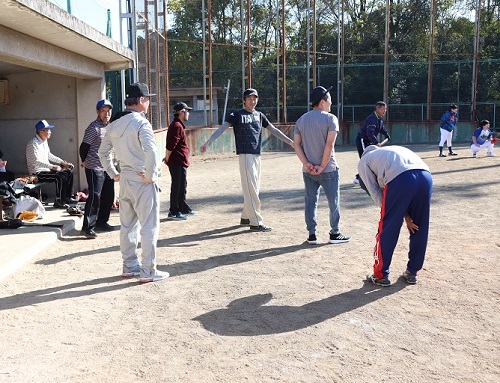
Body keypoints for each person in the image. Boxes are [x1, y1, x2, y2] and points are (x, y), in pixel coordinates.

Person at [98, 83, 168, 283]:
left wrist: (114, 174)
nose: (148, 101)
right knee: (149, 226)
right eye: (147, 98)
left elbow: (102, 153)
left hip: (125, 179)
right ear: (140, 101)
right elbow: (151, 151)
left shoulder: (114, 124)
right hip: (141, 179)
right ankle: (148, 270)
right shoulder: (141, 123)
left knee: (127, 225)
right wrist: (151, 174)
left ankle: (130, 265)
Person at [200, 88, 294, 231]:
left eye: (255, 98)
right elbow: (223, 128)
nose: (252, 101)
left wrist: (290, 142)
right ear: (243, 100)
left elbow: (273, 130)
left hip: (257, 155)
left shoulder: (259, 115)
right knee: (251, 189)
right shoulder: (237, 114)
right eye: (249, 98)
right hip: (245, 155)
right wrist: (209, 142)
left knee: (253, 188)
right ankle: (256, 222)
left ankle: (246, 217)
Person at [357, 145, 433, 286]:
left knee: (388, 228)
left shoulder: (363, 161)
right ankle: (412, 272)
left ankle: (380, 275)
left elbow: (376, 195)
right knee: (419, 226)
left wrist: (400, 214)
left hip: (400, 180)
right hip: (425, 176)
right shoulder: (388, 152)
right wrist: (407, 216)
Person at [293, 86, 351, 245]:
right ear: (322, 102)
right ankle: (335, 233)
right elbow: (329, 144)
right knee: (334, 202)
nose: (331, 102)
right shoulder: (331, 119)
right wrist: (323, 166)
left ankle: (312, 235)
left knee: (310, 201)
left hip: (309, 170)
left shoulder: (301, 120)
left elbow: (296, 145)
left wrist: (307, 164)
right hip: (329, 170)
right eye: (329, 99)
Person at [79, 99, 117, 239]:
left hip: (107, 167)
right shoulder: (93, 128)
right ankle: (87, 227)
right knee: (94, 197)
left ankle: (102, 222)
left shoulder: (110, 126)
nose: (106, 114)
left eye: (108, 111)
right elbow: (83, 147)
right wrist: (84, 161)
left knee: (109, 195)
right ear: (97, 112)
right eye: (103, 111)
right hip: (94, 166)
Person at [26, 120, 75, 208]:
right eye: (48, 130)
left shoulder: (44, 141)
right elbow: (36, 161)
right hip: (37, 173)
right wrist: (52, 166)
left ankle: (67, 198)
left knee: (68, 173)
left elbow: (49, 155)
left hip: (46, 170)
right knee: (59, 177)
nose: (50, 132)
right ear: (41, 131)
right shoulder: (33, 144)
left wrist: (62, 162)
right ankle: (59, 201)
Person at [164, 102, 197, 220]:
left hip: (180, 161)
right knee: (177, 186)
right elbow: (170, 145)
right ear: (181, 112)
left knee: (182, 185)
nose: (188, 113)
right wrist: (167, 158)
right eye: (187, 111)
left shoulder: (178, 125)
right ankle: (174, 211)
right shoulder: (177, 126)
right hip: (176, 162)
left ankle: (183, 208)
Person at [353, 101, 390, 184]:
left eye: (385, 109)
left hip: (369, 141)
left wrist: (386, 134)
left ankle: (369, 177)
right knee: (365, 159)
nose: (385, 111)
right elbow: (369, 133)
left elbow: (381, 128)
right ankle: (358, 178)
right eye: (383, 109)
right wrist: (377, 143)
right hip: (362, 140)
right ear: (377, 109)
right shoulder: (372, 118)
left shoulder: (379, 118)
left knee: (370, 159)